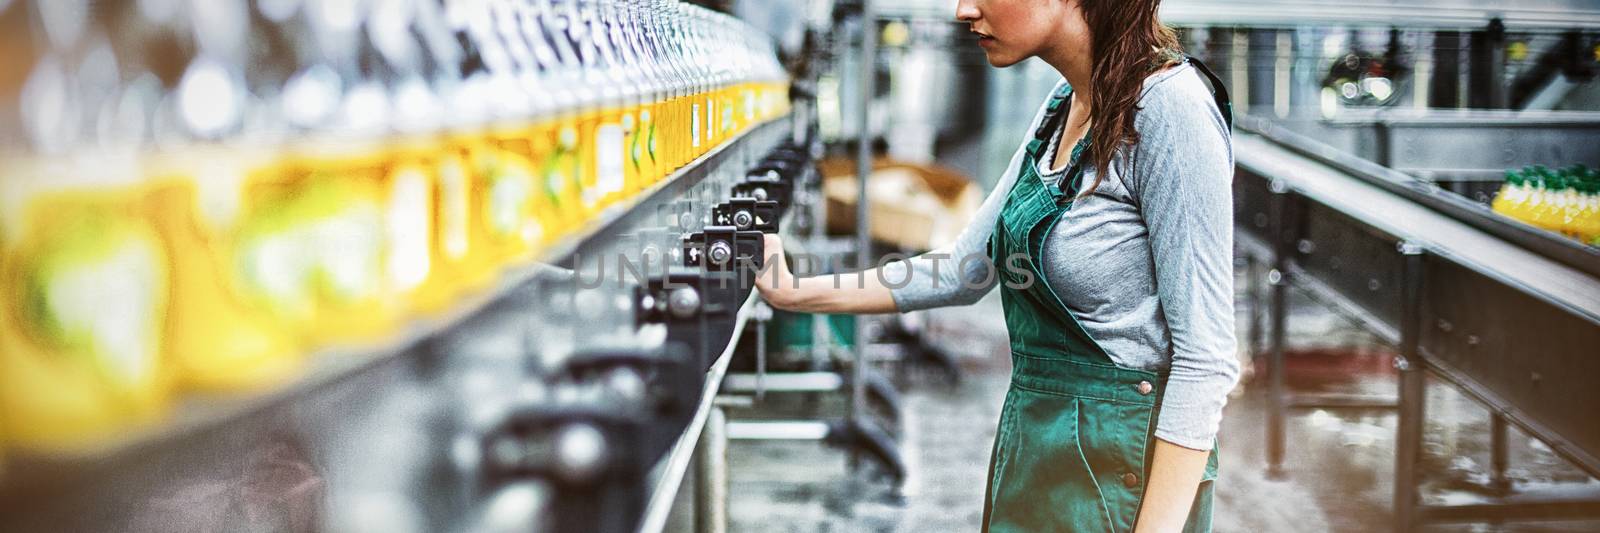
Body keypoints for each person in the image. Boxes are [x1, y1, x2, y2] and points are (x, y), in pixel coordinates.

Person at [754, 0, 1240, 531]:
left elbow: (1206, 360)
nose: (963, 10)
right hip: (1036, 453)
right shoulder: (1062, 107)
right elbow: (964, 269)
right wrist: (794, 291)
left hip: (1121, 477)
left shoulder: (1172, 108)